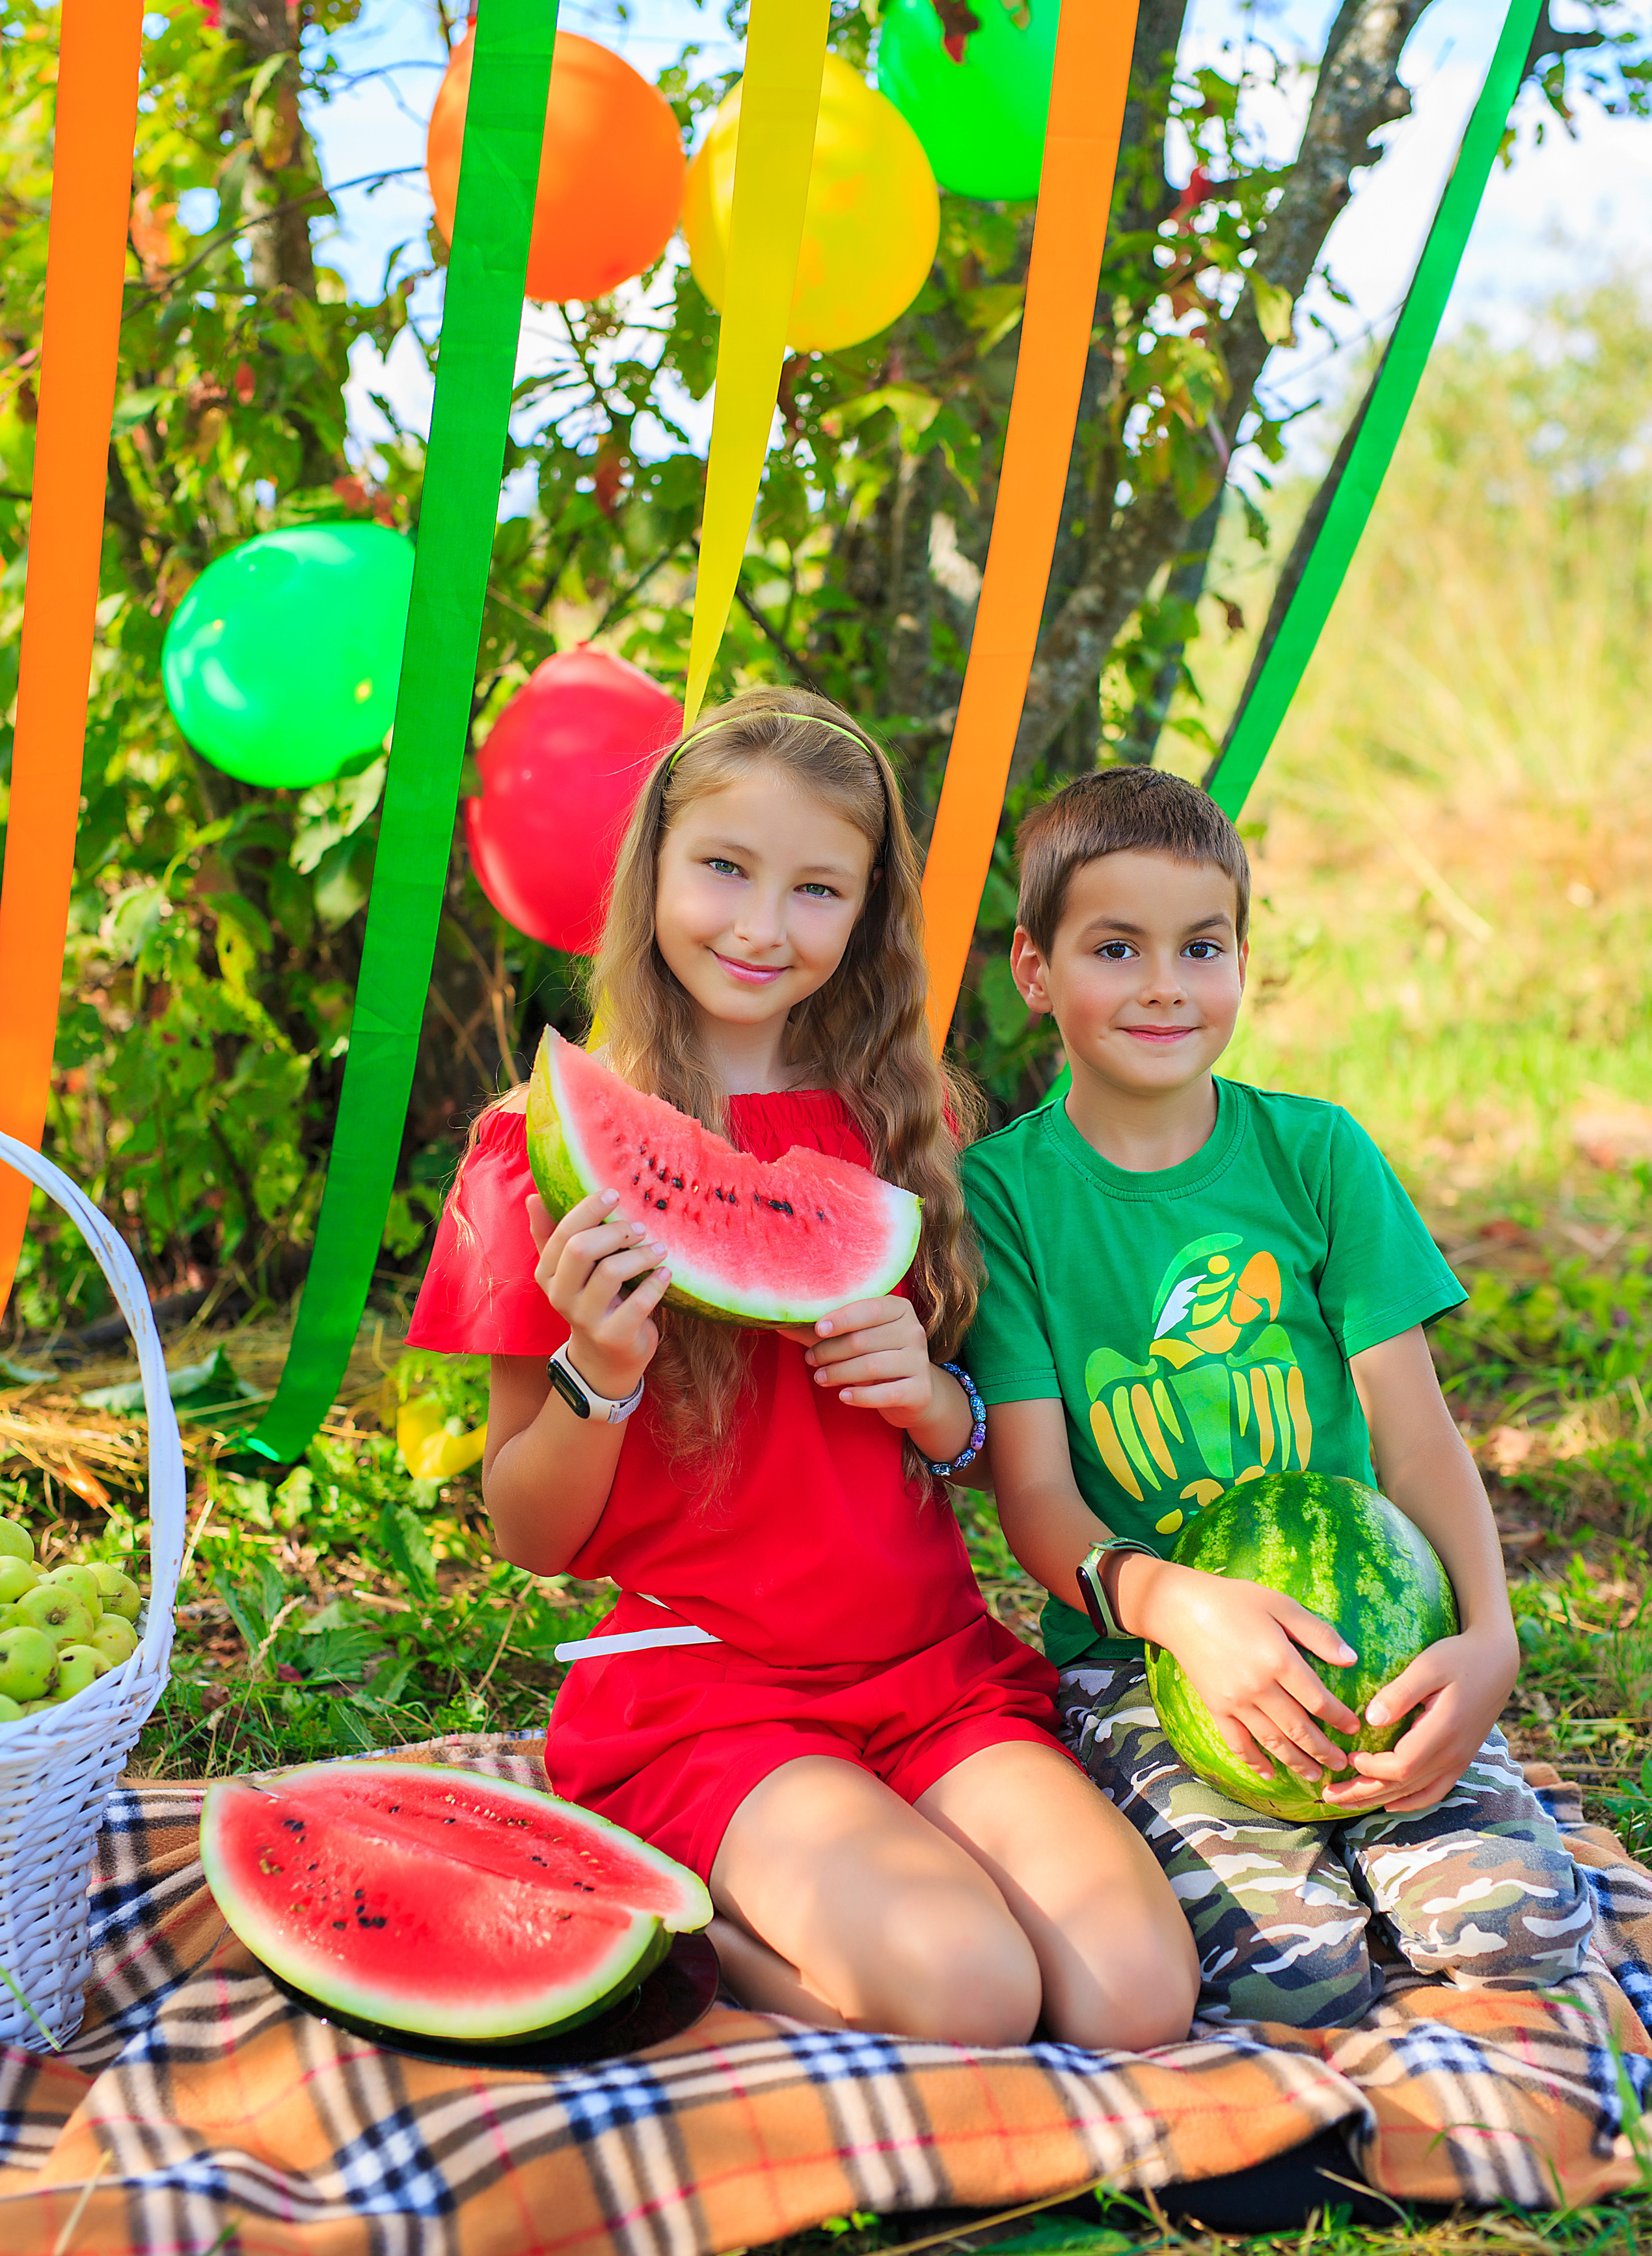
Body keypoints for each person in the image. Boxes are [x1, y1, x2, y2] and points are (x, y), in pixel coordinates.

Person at [409, 696, 1198, 2050]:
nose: (762, 925)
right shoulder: (523, 1148)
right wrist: (601, 1365)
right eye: (723, 867)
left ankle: (820, 1913)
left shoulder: (923, 1124)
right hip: (699, 1688)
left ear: (867, 912)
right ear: (650, 865)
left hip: (930, 1666)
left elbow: (975, 1449)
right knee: (976, 1992)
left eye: (815, 888)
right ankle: (685, 1934)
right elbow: (529, 1532)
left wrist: (929, 1396)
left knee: (1137, 1997)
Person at [961, 766, 1593, 2029]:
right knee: (1285, 1976)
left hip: (1379, 1649)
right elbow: (1029, 1489)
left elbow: (1413, 1439)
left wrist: (1485, 1638)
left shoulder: (1316, 1156)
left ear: (1241, 957)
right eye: (1113, 946)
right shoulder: (1005, 1194)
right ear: (1033, 970)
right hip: (1142, 1665)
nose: (1161, 984)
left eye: (1199, 946)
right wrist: (1175, 1603)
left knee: (1515, 1934)